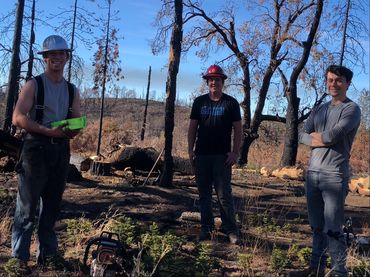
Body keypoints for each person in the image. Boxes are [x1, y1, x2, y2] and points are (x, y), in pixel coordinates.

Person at [11, 35, 81, 272]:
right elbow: (18, 117)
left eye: (61, 54)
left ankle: (48, 258)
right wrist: (44, 129)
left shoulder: (72, 90)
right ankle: (19, 259)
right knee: (27, 209)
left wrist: (74, 129)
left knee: (52, 207)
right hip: (35, 149)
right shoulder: (34, 85)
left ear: (66, 58)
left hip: (61, 150)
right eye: (52, 55)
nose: (57, 58)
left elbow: (76, 121)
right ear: (45, 58)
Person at [291, 65, 361, 277]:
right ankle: (316, 267)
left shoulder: (352, 109)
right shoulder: (320, 109)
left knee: (333, 227)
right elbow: (302, 135)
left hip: (334, 176)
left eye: (338, 80)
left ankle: (339, 271)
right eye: (330, 80)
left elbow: (333, 136)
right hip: (313, 174)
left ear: (347, 83)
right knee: (316, 226)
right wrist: (318, 139)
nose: (333, 84)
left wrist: (316, 138)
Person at [188, 64, 242, 244]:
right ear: (207, 82)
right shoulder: (199, 102)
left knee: (224, 195)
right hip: (202, 154)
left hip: (222, 157)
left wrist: (235, 152)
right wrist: (190, 150)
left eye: (217, 80)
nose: (214, 82)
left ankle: (231, 230)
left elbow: (238, 129)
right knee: (204, 195)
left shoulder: (231, 103)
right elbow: (193, 127)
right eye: (211, 80)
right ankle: (207, 228)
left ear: (222, 82)